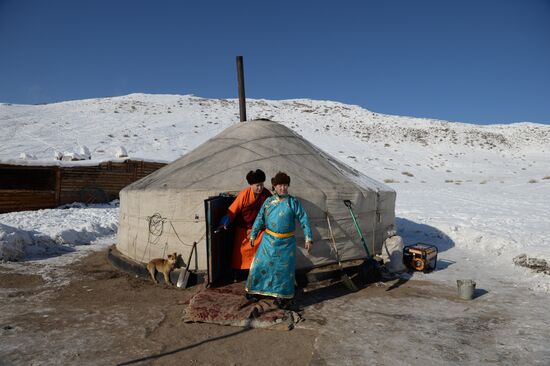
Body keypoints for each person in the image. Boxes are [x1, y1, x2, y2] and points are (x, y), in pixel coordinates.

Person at [245, 172, 313, 309]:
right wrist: (253, 234)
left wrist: (308, 237)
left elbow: (304, 219)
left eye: (285, 185)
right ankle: (255, 291)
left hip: (286, 243)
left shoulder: (293, 202)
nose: (283, 188)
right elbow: (260, 218)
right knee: (260, 266)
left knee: (283, 271)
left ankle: (283, 297)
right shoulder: (268, 202)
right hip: (268, 241)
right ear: (274, 187)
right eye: (280, 185)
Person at [219, 169, 271, 280]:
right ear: (251, 185)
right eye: (257, 185)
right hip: (243, 228)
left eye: (261, 185)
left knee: (262, 247)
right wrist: (225, 221)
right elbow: (233, 209)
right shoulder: (245, 194)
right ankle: (238, 273)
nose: (260, 188)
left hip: (259, 229)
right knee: (241, 252)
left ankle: (258, 271)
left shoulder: (266, 194)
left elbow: (272, 210)